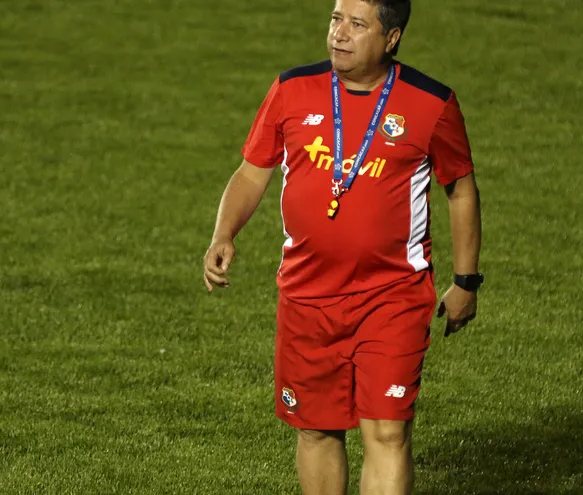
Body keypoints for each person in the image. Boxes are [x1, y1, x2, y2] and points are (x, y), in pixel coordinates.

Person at [202, 0, 483, 493]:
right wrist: (224, 233)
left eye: (357, 24)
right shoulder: (291, 89)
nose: (339, 34)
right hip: (307, 294)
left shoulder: (430, 103)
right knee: (315, 428)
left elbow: (460, 188)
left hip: (392, 295)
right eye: (336, 20)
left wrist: (465, 281)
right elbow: (252, 169)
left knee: (388, 430)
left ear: (391, 38)